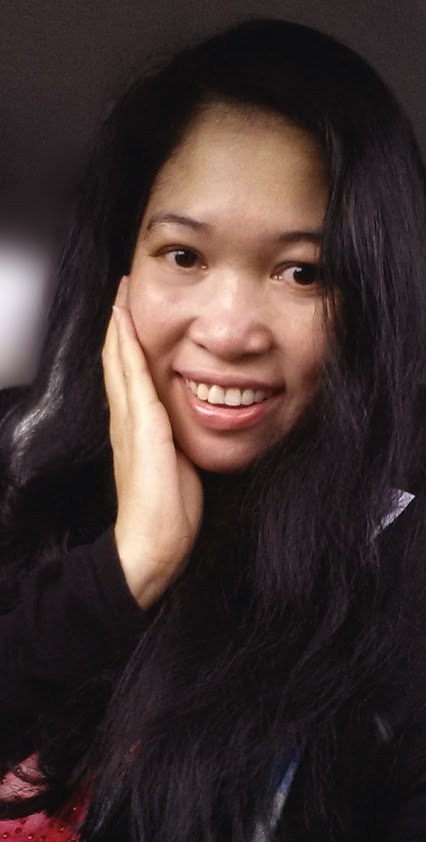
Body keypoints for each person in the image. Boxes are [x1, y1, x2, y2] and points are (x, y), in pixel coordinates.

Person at [0, 17, 425, 842]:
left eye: (303, 272)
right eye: (184, 256)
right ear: (121, 265)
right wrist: (124, 571)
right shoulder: (18, 460)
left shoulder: (403, 587)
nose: (229, 332)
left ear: (374, 300)